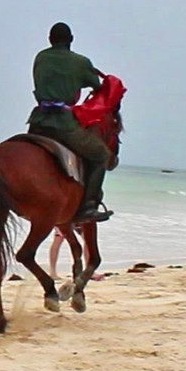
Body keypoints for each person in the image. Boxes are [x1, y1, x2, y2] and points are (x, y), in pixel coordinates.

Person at [28, 22, 113, 223]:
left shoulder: (40, 57)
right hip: (63, 124)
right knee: (100, 154)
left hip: (38, 121)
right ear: (71, 39)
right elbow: (98, 86)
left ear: (50, 39)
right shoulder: (80, 62)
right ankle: (88, 207)